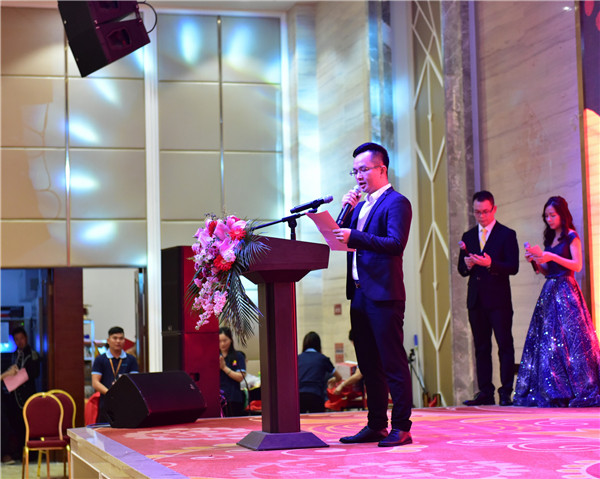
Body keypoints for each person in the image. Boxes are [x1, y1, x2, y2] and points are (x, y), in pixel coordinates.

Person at [332, 142, 413, 447]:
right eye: (354, 171)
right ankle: (377, 424)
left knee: (392, 362)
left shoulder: (397, 202)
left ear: (382, 169)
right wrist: (346, 213)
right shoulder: (361, 205)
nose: (358, 176)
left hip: (384, 294)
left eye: (363, 169)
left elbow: (395, 243)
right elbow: (340, 239)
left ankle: (402, 426)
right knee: (368, 365)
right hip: (360, 294)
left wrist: (355, 235)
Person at [514, 196, 600, 407]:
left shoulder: (572, 236)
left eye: (552, 215)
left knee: (571, 340)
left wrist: (551, 256)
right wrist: (536, 261)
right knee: (548, 342)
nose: (549, 219)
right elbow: (546, 271)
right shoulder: (550, 238)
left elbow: (577, 265)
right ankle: (553, 388)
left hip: (566, 291)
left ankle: (576, 387)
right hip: (550, 290)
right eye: (546, 216)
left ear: (562, 214)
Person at [458, 191, 519, 406]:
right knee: (481, 347)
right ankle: (485, 391)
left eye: (485, 211)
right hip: (476, 300)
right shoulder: (468, 236)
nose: (482, 216)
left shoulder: (506, 234)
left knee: (504, 345)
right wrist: (467, 265)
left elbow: (513, 267)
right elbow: (461, 269)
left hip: (499, 300)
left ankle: (506, 391)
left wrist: (491, 264)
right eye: (477, 212)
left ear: (494, 209)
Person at [1, 326, 40, 463]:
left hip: (27, 396)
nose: (19, 342)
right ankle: (19, 452)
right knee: (16, 426)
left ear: (26, 338)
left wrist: (17, 375)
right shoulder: (13, 355)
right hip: (14, 398)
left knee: (28, 425)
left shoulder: (32, 354)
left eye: (21, 338)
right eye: (16, 339)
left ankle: (31, 453)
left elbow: (34, 373)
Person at [91, 326, 139, 423]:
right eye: (115, 338)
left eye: (121, 338)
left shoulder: (131, 359)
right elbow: (95, 383)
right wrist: (110, 393)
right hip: (106, 403)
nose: (118, 341)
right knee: (105, 430)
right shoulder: (100, 359)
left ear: (124, 341)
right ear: (108, 340)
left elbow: (135, 381)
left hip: (126, 403)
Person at [297, 331, 342, 413]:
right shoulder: (323, 359)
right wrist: (333, 380)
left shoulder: (297, 358)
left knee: (301, 419)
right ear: (319, 345)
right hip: (316, 395)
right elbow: (339, 377)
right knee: (318, 419)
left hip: (300, 395)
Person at [219, 326, 247, 417]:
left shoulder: (238, 356)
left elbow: (240, 377)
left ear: (231, 339)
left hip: (233, 398)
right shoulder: (214, 356)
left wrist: (224, 368)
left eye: (225, 340)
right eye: (219, 341)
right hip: (218, 398)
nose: (222, 344)